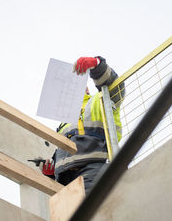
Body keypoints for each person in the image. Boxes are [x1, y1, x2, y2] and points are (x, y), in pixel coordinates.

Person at [39, 56, 124, 192]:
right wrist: (52, 172)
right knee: (70, 213)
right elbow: (65, 149)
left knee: (93, 209)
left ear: (87, 89)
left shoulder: (97, 100)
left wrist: (97, 66)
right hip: (64, 177)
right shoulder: (63, 121)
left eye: (76, 81)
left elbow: (115, 88)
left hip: (92, 166)